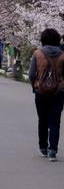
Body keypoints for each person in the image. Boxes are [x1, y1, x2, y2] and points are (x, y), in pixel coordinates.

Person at [29, 29, 64, 161]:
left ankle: (43, 147)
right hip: (59, 92)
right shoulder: (62, 55)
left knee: (42, 120)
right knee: (55, 122)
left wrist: (35, 86)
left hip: (41, 92)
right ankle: (52, 150)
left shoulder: (37, 53)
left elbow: (32, 74)